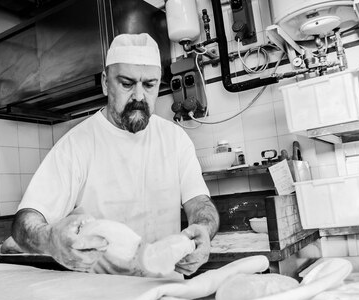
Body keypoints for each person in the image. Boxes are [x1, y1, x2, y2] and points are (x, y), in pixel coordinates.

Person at [11, 33, 219, 275]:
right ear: (105, 82)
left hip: (163, 285)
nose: (139, 96)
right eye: (127, 83)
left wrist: (203, 229)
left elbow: (200, 203)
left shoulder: (175, 139)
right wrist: (49, 239)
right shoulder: (77, 145)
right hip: (99, 293)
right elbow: (26, 221)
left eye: (150, 85)